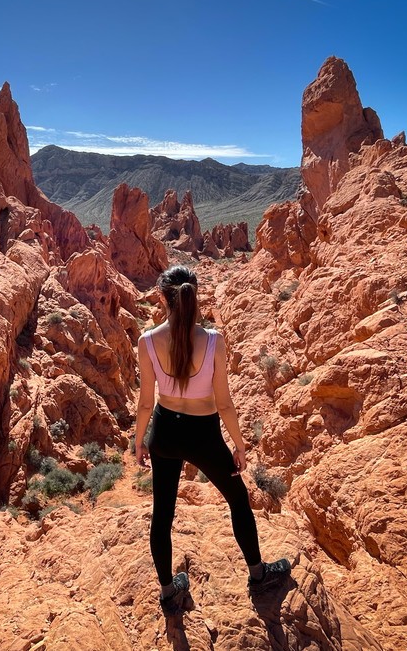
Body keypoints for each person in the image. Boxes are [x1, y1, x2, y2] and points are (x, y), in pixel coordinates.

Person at [134, 264, 291, 616]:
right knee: (237, 499)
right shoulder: (213, 340)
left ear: (162, 297)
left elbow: (146, 401)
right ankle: (258, 574)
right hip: (203, 434)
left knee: (162, 515)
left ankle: (168, 593)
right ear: (194, 294)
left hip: (164, 431)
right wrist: (239, 444)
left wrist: (139, 441)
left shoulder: (147, 342)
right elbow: (224, 403)